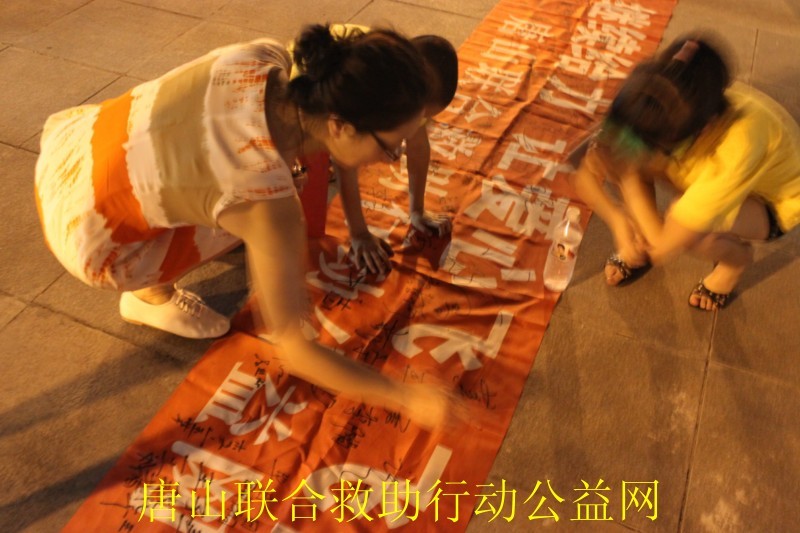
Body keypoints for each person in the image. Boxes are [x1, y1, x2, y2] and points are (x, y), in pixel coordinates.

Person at [34, 25, 457, 428]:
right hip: (91, 235)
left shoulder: (267, 57)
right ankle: (149, 296)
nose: (391, 159)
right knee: (271, 213)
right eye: (389, 147)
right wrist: (407, 398)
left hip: (74, 141)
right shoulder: (266, 200)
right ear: (340, 126)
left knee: (263, 192)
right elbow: (296, 351)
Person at [571, 35, 800, 310]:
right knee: (634, 165)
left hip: (773, 202)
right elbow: (585, 169)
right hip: (701, 162)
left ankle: (735, 262)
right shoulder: (657, 107)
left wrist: (630, 184)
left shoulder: (731, 153)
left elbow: (663, 247)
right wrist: (619, 220)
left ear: (703, 130)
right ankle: (641, 232)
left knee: (695, 234)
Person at [288, 24, 459, 274]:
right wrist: (358, 233)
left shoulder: (404, 85)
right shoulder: (358, 94)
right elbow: (345, 160)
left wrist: (417, 211)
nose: (393, 154)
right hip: (303, 99)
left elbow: (419, 147)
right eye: (391, 142)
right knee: (298, 198)